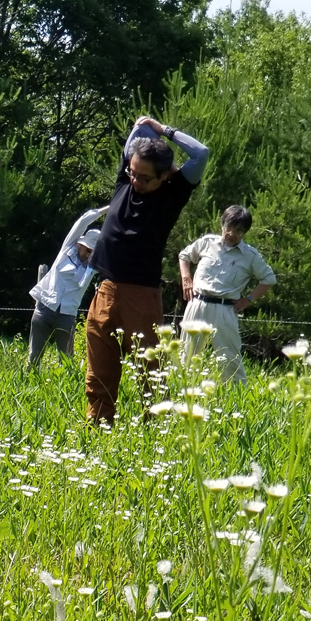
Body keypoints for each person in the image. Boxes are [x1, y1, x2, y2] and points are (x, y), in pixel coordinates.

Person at [83, 114, 209, 424]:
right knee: (99, 369)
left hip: (141, 295)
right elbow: (137, 131)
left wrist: (164, 130)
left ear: (165, 175)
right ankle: (98, 426)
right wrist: (146, 125)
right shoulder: (126, 177)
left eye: (143, 177)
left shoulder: (173, 192)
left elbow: (201, 153)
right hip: (106, 288)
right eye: (132, 172)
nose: (134, 180)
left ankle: (157, 434)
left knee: (151, 372)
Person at [178, 205, 276, 382]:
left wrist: (249, 299)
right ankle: (184, 392)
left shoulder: (250, 256)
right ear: (223, 224)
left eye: (238, 231)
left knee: (229, 357)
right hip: (197, 303)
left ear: (245, 232)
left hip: (224, 309)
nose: (231, 234)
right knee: (187, 354)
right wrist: (186, 278)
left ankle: (237, 398)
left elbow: (269, 278)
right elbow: (184, 256)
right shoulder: (207, 243)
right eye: (229, 228)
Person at [27, 207, 107, 367]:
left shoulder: (93, 267)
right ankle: (29, 383)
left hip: (67, 315)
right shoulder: (66, 251)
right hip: (44, 309)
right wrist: (107, 210)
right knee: (34, 357)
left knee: (67, 360)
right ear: (79, 244)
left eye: (93, 252)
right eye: (87, 250)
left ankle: (64, 388)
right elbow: (83, 221)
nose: (89, 254)